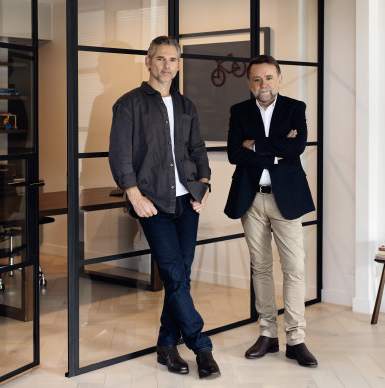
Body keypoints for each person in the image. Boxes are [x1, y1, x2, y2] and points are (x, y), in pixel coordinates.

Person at [108, 36, 220, 379]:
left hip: (188, 201)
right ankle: (201, 346)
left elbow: (198, 149)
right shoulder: (128, 104)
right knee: (174, 274)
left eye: (173, 60)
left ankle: (166, 344)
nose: (167, 65)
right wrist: (134, 194)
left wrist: (204, 186)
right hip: (152, 204)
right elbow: (120, 155)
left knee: (179, 278)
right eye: (161, 59)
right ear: (148, 61)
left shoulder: (187, 106)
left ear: (178, 64)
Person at [224, 55, 318, 367]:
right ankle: (268, 334)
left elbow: (298, 147)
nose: (263, 85)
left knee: (294, 268)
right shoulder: (238, 111)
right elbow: (235, 153)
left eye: (268, 78)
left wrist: (257, 146)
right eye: (257, 79)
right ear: (249, 82)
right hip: (251, 199)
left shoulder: (295, 108)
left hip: (286, 199)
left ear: (279, 78)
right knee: (260, 268)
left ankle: (296, 339)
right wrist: (276, 149)